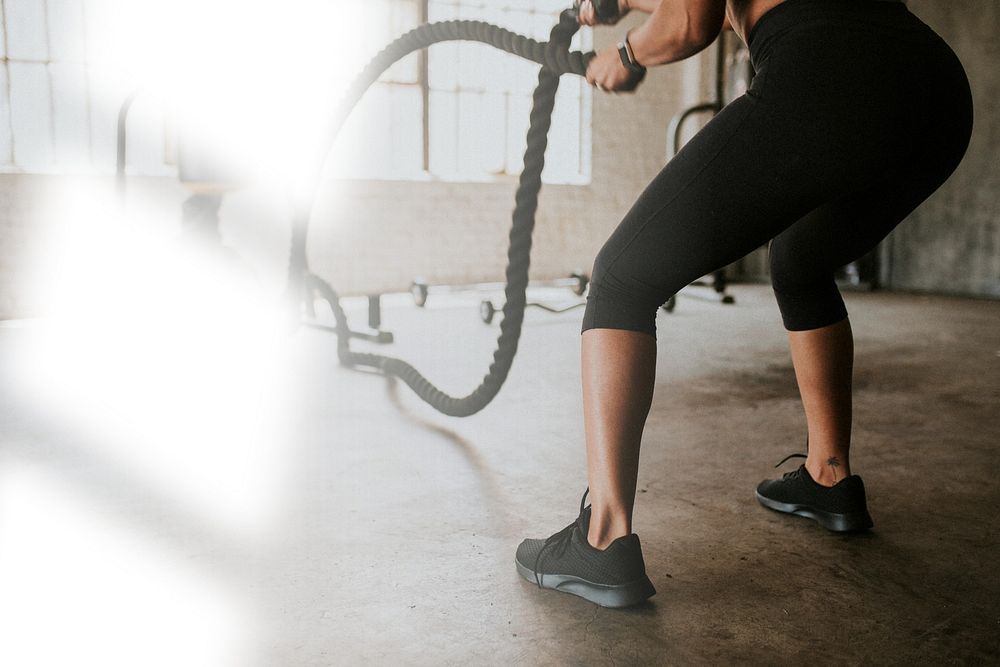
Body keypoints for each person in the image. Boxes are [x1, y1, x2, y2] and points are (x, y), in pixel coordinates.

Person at [515, 0, 973, 608]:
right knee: (801, 263)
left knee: (621, 279)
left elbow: (690, 22)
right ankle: (828, 477)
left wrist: (626, 54)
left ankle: (602, 539)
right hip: (934, 94)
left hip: (827, 67)